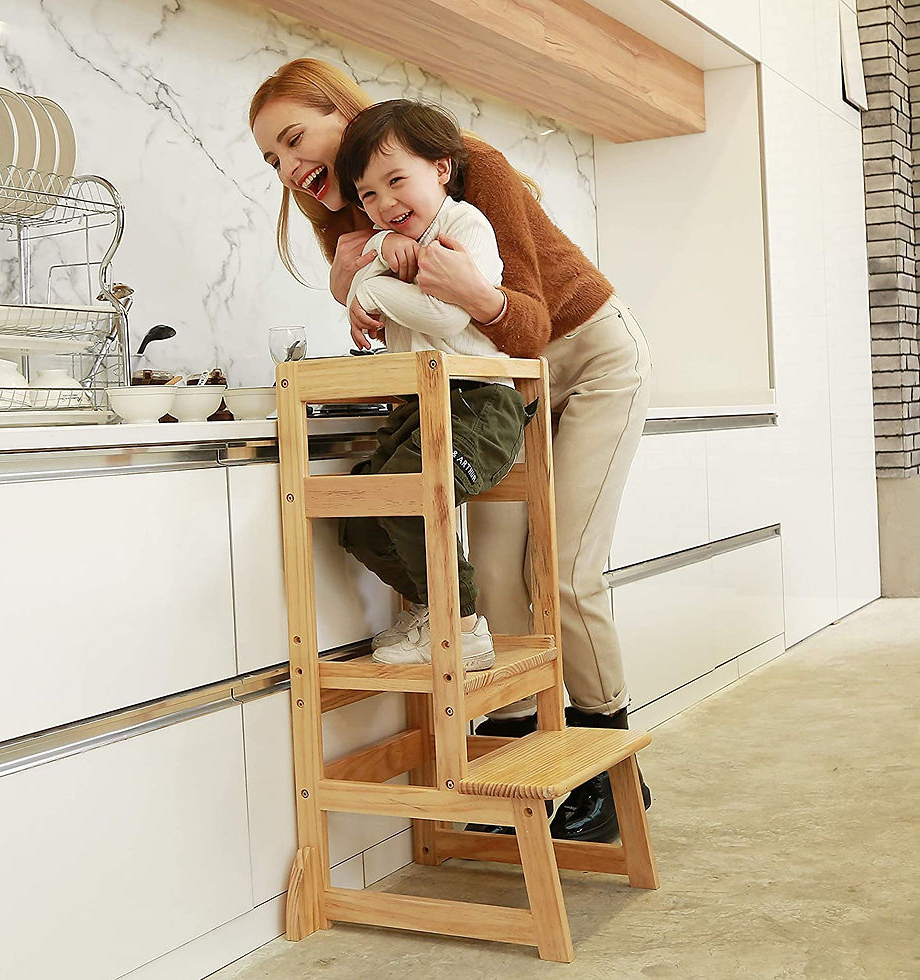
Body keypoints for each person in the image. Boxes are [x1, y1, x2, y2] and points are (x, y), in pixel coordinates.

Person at [250, 59, 652, 844]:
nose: (291, 170)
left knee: (565, 570)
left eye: (295, 139)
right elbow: (414, 317)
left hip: (588, 357)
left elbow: (527, 325)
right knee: (499, 574)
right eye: (272, 159)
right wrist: (351, 285)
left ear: (342, 113)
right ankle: (522, 772)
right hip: (501, 388)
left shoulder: (472, 168)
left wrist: (446, 293)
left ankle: (610, 776)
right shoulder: (359, 216)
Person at [333, 98, 534, 672]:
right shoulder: (381, 243)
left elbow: (446, 316)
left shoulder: (465, 223)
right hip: (416, 405)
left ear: (440, 169)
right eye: (368, 194)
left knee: (409, 491)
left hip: (479, 404)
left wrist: (366, 292)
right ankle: (433, 607)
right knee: (358, 517)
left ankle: (462, 625)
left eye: (397, 180)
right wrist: (373, 260)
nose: (385, 203)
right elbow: (367, 284)